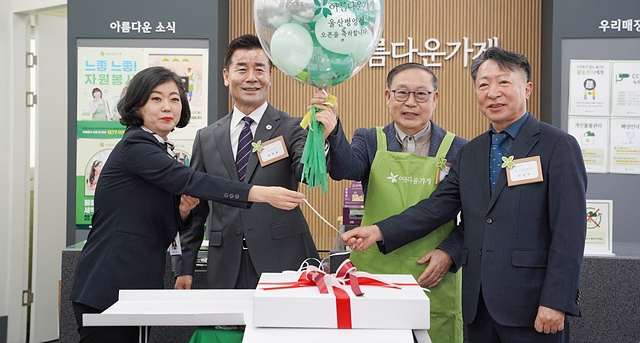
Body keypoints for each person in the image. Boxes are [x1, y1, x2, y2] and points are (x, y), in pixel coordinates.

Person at [342, 47, 587, 343]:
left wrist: (557, 300)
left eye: (503, 82)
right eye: (483, 84)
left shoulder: (557, 145)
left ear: (527, 88)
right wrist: (378, 231)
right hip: (479, 307)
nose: (493, 92)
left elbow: (569, 231)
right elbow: (436, 207)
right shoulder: (471, 152)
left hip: (533, 305)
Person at [70, 66, 305, 343]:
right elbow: (191, 180)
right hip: (109, 284)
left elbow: (148, 216)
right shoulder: (136, 146)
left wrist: (182, 211)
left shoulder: (157, 148)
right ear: (137, 106)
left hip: (133, 286)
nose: (167, 107)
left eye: (174, 99)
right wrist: (260, 193)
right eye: (156, 99)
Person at [312, 62, 466, 343]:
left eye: (421, 94)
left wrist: (450, 253)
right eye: (402, 93)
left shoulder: (459, 149)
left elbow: (472, 217)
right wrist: (333, 131)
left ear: (435, 98)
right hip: (374, 272)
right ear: (387, 97)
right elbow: (346, 168)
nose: (411, 103)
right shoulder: (370, 139)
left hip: (432, 274)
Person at [173, 34, 320, 291]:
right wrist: (185, 267)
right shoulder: (206, 138)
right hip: (225, 264)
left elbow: (308, 173)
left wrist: (321, 137)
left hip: (283, 259)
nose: (251, 77)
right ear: (226, 76)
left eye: (259, 69)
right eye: (242, 69)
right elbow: (196, 210)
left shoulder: (292, 128)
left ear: (270, 76)